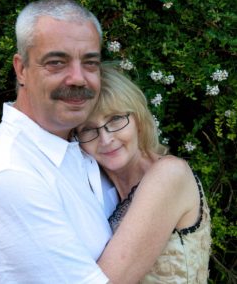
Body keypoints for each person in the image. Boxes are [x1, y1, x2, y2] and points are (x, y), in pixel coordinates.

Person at [0, 0, 118, 283]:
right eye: (56, 63)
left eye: (90, 63)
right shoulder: (10, 174)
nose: (78, 78)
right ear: (21, 69)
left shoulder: (92, 145)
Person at [73, 65, 211, 283]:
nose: (106, 138)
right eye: (88, 129)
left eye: (115, 119)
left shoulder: (168, 175)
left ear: (138, 119)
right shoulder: (100, 186)